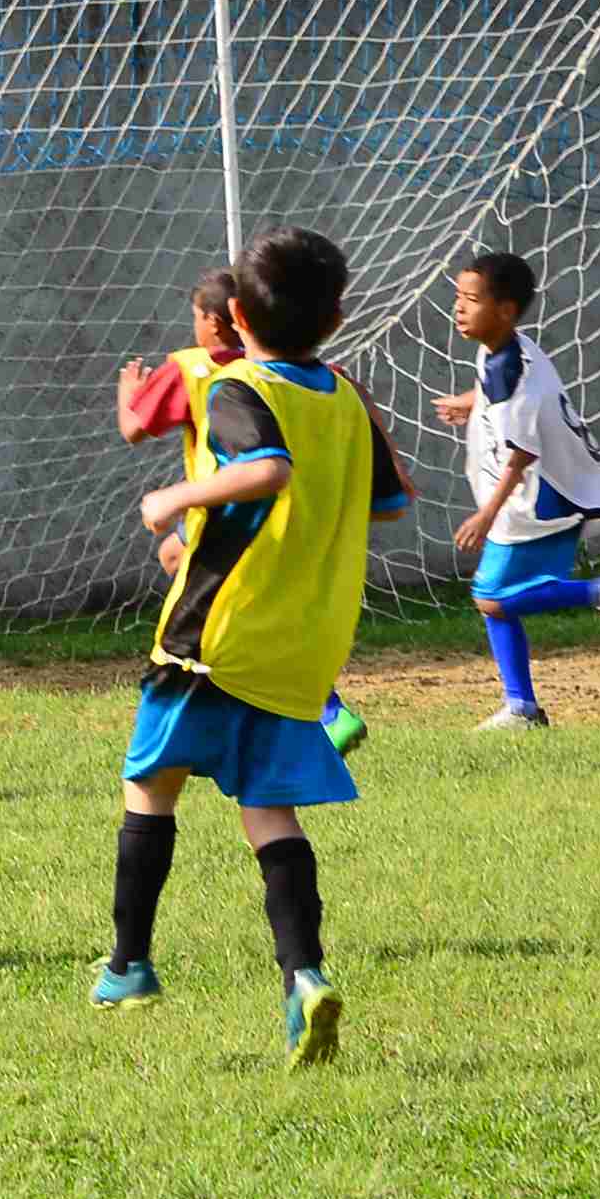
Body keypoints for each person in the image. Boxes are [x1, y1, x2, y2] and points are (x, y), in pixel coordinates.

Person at [106, 225, 414, 1066]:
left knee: (149, 786)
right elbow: (388, 506)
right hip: (304, 647)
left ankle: (130, 964)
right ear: (339, 315)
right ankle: (303, 978)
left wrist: (177, 497)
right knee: (267, 811)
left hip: (215, 632)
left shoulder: (238, 386)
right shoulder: (346, 398)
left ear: (235, 315)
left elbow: (266, 469)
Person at [119, 268, 368, 757]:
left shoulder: (193, 367)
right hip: (304, 517)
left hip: (233, 513)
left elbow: (133, 428)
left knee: (220, 619)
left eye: (195, 315)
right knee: (175, 559)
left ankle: (321, 708)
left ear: (217, 320)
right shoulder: (313, 375)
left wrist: (128, 392)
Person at [431, 249, 600, 729]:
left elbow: (523, 453)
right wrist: (472, 402)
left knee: (492, 598)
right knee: (501, 599)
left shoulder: (512, 378)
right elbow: (507, 401)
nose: (459, 308)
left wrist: (485, 515)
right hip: (546, 493)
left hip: (536, 500)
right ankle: (521, 708)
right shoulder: (505, 349)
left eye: (470, 299)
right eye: (458, 297)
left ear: (505, 309)